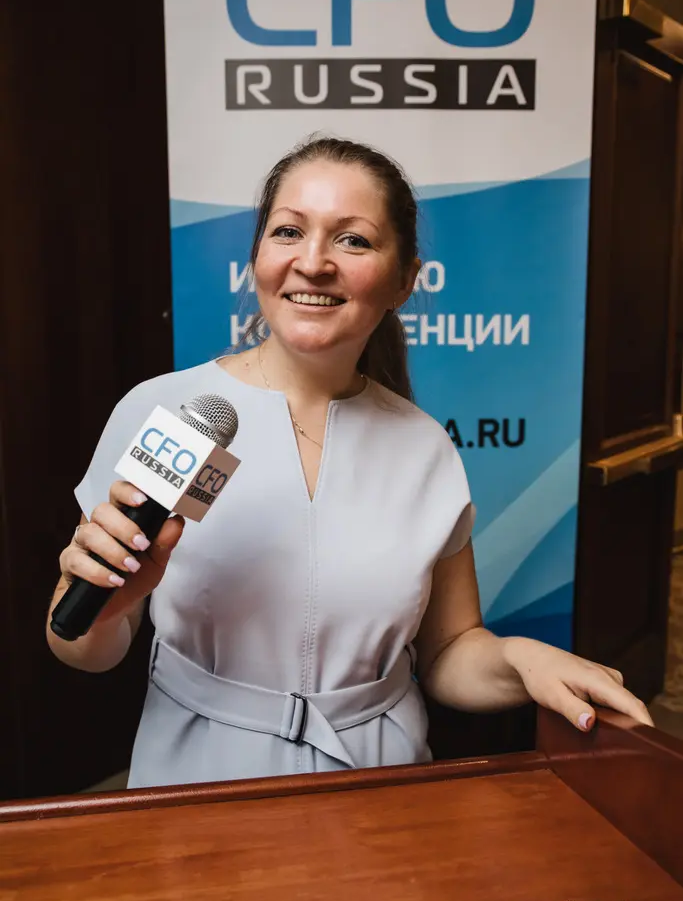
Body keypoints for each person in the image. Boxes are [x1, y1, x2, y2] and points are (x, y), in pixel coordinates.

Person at [46, 135, 653, 788]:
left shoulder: (424, 447)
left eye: (353, 240)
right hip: (198, 780)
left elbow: (449, 651)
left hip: (376, 785)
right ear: (256, 258)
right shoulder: (166, 411)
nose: (312, 263)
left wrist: (520, 662)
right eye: (288, 231)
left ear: (403, 281)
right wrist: (105, 609)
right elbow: (81, 649)